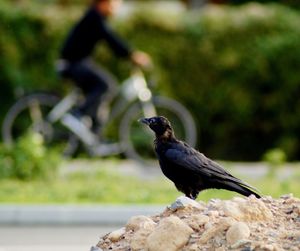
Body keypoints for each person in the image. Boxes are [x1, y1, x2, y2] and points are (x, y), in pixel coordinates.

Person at [58, 0, 151, 132]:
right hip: (74, 63)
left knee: (100, 95)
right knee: (107, 85)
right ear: (104, 2)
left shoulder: (95, 17)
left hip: (77, 62)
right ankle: (77, 114)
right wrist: (131, 54)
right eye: (115, 2)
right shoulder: (94, 17)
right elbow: (111, 38)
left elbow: (109, 39)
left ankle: (95, 134)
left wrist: (128, 55)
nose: (117, 6)